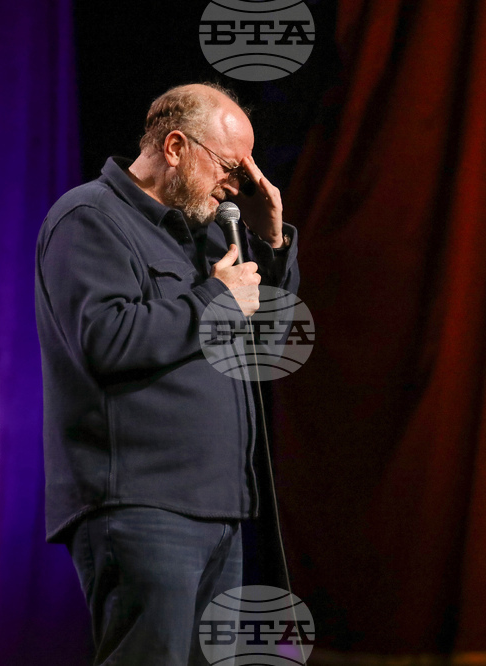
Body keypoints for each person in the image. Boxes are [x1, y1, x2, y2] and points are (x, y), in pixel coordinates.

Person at [34, 83, 299, 664]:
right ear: (176, 146)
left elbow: (265, 348)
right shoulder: (88, 218)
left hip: (220, 512)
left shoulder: (207, 234)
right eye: (230, 166)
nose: (238, 183)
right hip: (140, 510)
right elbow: (105, 340)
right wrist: (215, 298)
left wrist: (272, 245)